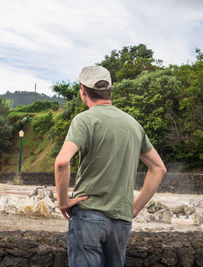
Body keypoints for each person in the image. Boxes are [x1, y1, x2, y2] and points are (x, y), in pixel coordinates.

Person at [54, 65, 167, 267]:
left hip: (89, 214)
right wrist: (135, 208)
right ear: (109, 90)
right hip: (122, 220)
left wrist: (63, 201)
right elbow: (159, 169)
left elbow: (62, 162)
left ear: (83, 90)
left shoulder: (84, 121)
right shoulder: (133, 124)